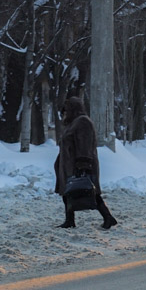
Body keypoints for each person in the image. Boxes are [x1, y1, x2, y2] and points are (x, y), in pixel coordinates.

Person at [54, 97, 118, 229]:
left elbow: (85, 144)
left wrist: (83, 164)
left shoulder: (83, 122)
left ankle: (108, 217)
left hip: (79, 164)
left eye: (66, 111)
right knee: (68, 192)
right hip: (68, 165)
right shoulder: (72, 124)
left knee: (90, 191)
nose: (64, 114)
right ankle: (69, 220)